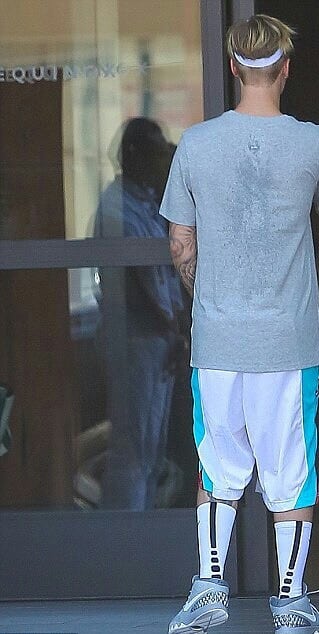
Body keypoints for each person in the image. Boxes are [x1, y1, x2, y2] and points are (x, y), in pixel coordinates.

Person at [160, 14, 319, 634]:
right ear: (285, 68)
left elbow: (181, 243)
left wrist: (204, 293)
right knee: (291, 471)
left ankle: (209, 591)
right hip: (288, 340)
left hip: (217, 337)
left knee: (219, 468)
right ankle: (289, 603)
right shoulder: (315, 141)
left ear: (235, 67)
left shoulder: (194, 144)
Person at [95, 117, 186, 510]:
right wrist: (172, 330)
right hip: (136, 341)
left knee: (151, 451)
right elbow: (135, 282)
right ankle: (126, 542)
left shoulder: (147, 203)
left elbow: (167, 278)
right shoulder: (117, 207)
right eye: (154, 154)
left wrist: (175, 332)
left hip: (159, 340)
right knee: (133, 450)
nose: (160, 163)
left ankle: (142, 534)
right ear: (132, 156)